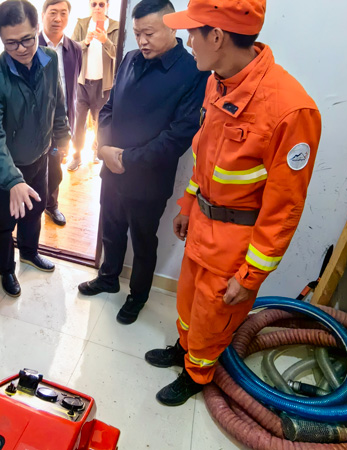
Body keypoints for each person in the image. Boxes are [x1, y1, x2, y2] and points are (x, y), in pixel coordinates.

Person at [145, 0, 322, 406]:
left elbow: (284, 209)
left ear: (217, 36)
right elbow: (205, 155)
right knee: (189, 301)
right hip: (202, 226)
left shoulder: (291, 111)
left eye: (193, 33)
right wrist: (188, 204)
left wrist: (251, 276)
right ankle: (184, 349)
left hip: (235, 246)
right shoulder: (217, 81)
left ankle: (197, 374)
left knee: (213, 316)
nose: (188, 41)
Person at [77, 0, 208, 325]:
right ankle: (108, 277)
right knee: (111, 230)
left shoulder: (193, 72)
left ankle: (137, 296)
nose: (142, 41)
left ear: (173, 27)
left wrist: (126, 159)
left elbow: (178, 136)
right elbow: (108, 108)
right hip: (112, 171)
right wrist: (104, 147)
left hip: (149, 180)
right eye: (137, 34)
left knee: (144, 241)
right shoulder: (130, 59)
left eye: (149, 33)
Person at [0, 0, 71, 298]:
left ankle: (29, 253)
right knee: (5, 222)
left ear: (36, 29)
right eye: (11, 43)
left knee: (36, 209)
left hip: (41, 157)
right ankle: (6, 270)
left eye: (27, 39)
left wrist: (63, 140)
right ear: (2, 40)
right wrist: (12, 180)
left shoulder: (50, 59)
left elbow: (57, 103)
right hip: (8, 168)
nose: (21, 49)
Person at [39, 0, 83, 226]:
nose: (58, 18)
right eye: (53, 13)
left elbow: (72, 86)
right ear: (43, 15)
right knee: (33, 168)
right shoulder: (31, 46)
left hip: (60, 124)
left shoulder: (74, 49)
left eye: (63, 13)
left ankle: (51, 206)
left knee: (55, 167)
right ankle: (31, 210)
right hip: (35, 125)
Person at [68, 0, 119, 171]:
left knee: (100, 124)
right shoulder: (82, 24)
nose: (97, 8)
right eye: (94, 4)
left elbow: (117, 53)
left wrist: (105, 41)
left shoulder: (115, 27)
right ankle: (76, 156)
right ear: (90, 6)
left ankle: (96, 151)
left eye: (101, 4)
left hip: (103, 86)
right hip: (82, 83)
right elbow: (71, 49)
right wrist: (85, 42)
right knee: (78, 124)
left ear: (107, 6)